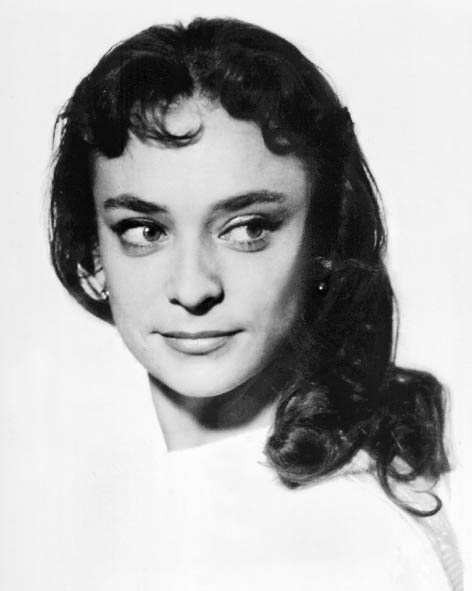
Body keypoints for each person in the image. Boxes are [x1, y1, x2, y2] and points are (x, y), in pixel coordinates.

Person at [48, 17, 462, 590]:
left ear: (324, 243)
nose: (193, 289)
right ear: (94, 254)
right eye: (145, 230)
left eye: (248, 229)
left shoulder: (334, 540)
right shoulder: (175, 506)